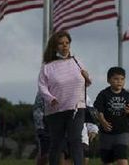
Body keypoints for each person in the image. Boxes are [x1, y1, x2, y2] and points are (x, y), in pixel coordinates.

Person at [38, 30, 91, 165]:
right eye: (61, 43)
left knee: (76, 140)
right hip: (55, 110)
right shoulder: (47, 67)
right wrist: (51, 98)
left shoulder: (77, 61)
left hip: (76, 108)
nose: (65, 46)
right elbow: (42, 87)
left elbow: (87, 82)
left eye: (67, 43)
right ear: (55, 46)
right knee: (57, 143)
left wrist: (87, 77)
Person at [94, 66, 129, 165]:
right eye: (116, 79)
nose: (119, 81)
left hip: (122, 132)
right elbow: (98, 110)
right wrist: (103, 121)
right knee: (107, 161)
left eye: (122, 79)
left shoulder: (128, 96)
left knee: (121, 158)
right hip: (106, 133)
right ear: (108, 80)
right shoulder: (103, 94)